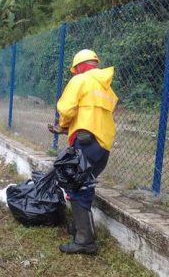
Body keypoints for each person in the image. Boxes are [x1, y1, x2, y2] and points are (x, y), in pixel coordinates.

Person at [48, 49, 118, 254]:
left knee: (78, 186)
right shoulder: (106, 88)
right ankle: (83, 229)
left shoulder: (80, 80)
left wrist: (62, 125)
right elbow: (93, 114)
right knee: (85, 184)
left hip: (86, 144)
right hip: (102, 146)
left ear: (78, 67)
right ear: (95, 64)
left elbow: (67, 109)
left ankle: (84, 241)